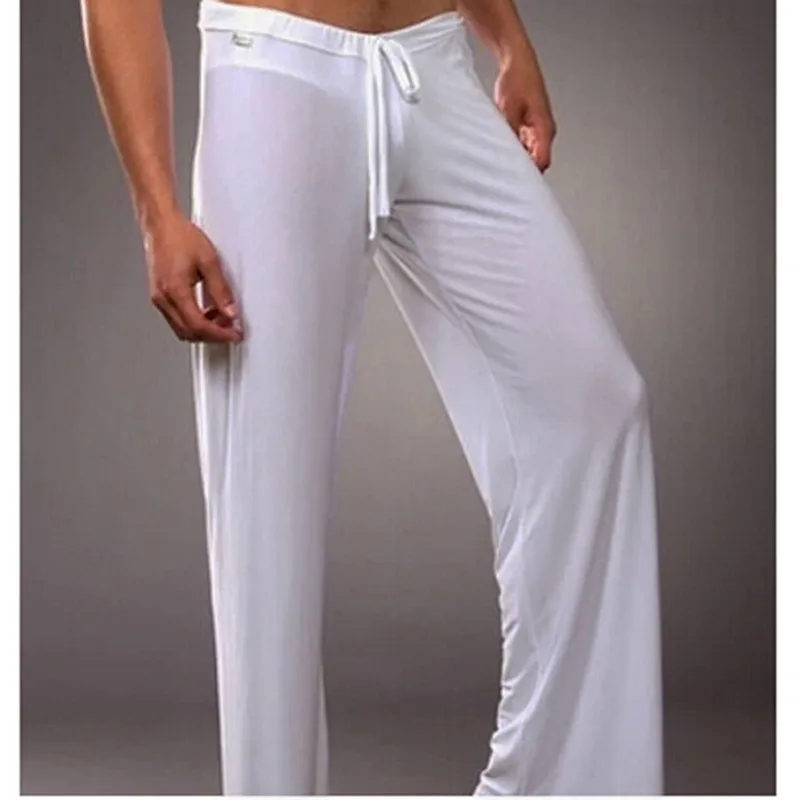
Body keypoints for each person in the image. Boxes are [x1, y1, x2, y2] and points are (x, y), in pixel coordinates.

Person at [79, 0, 665, 795]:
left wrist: (507, 38)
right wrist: (158, 215)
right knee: (269, 502)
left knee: (593, 402)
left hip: (432, 67)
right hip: (278, 71)